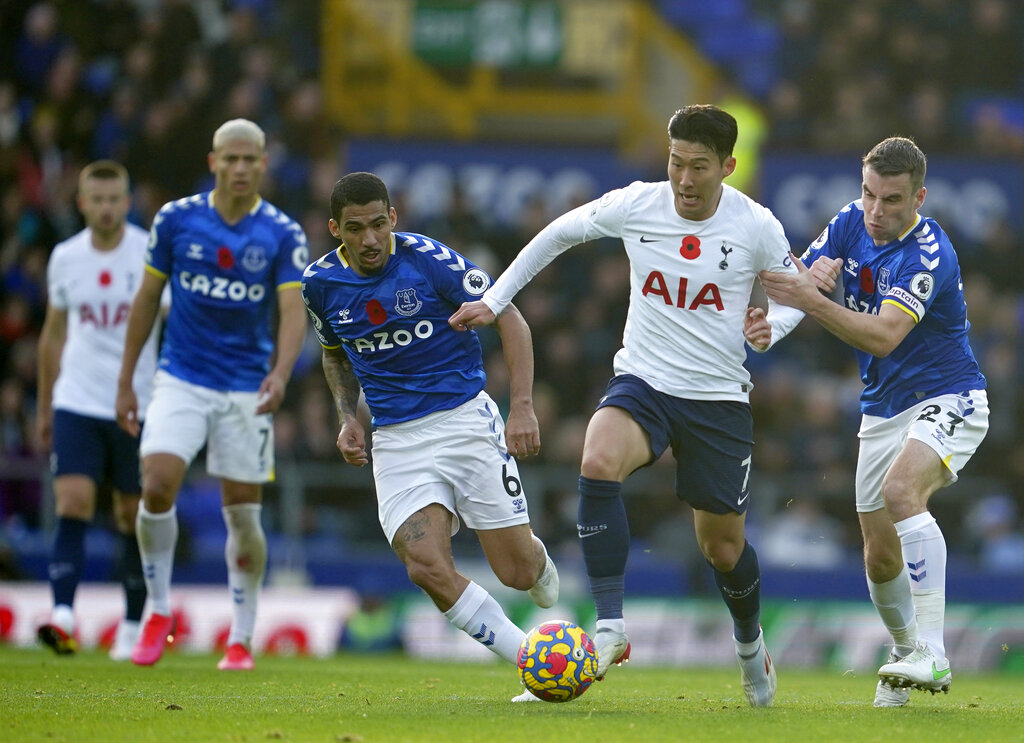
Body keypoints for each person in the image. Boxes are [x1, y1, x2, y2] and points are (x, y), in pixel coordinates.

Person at [450, 104, 798, 707]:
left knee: (722, 548)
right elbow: (558, 233)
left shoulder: (756, 225)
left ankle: (750, 645)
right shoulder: (640, 202)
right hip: (644, 379)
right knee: (597, 458)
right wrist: (497, 298)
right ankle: (610, 627)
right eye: (675, 162)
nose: (685, 179)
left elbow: (797, 293)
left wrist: (774, 326)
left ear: (729, 166)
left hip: (717, 398)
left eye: (699, 167)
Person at [301, 172, 559, 702]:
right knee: (425, 566)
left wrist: (523, 407)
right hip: (396, 440)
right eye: (355, 229)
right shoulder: (320, 285)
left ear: (393, 217)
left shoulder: (430, 260)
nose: (370, 239)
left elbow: (510, 318)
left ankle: (536, 558)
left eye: (378, 224)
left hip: (464, 420)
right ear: (335, 229)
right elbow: (334, 351)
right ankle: (534, 660)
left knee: (515, 572)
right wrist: (348, 417)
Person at [749, 136, 988, 706]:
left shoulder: (928, 254)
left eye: (893, 200)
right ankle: (906, 654)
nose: (877, 211)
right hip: (882, 408)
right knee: (879, 553)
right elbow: (793, 281)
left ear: (920, 198)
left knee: (903, 491)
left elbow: (882, 336)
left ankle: (933, 651)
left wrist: (809, 300)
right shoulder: (851, 220)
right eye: (869, 194)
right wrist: (774, 324)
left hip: (949, 395)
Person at [115, 119, 309, 670]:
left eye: (251, 159)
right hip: (180, 377)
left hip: (246, 387)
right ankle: (157, 611)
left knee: (243, 518)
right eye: (232, 159)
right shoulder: (176, 220)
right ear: (213, 161)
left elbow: (292, 311)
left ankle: (241, 638)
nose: (241, 168)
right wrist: (127, 378)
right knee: (155, 484)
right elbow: (147, 299)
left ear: (263, 164)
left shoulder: (281, 232)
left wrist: (280, 373)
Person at [35, 160, 159, 660]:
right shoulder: (65, 257)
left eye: (115, 199)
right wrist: (46, 406)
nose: (106, 208)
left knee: (131, 515)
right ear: (82, 203)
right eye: (97, 199)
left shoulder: (150, 251)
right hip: (78, 400)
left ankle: (132, 624)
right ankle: (63, 616)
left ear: (126, 202)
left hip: (136, 401)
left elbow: (169, 323)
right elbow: (53, 335)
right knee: (73, 502)